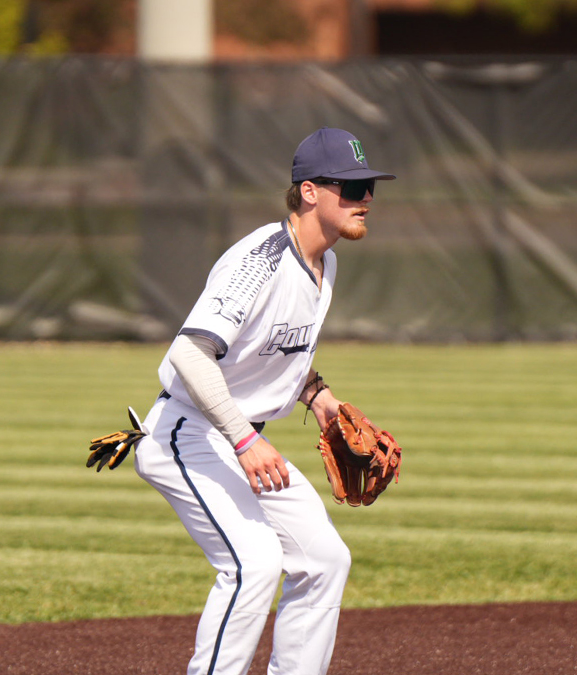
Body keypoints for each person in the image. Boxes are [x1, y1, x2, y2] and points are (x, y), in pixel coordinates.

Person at [131, 127, 395, 675]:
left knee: (324, 560)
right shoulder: (262, 259)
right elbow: (190, 353)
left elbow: (273, 350)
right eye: (349, 187)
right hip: (188, 432)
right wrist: (246, 439)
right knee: (253, 564)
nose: (364, 198)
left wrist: (319, 396)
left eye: (367, 185)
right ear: (308, 192)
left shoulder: (326, 262)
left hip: (235, 436)